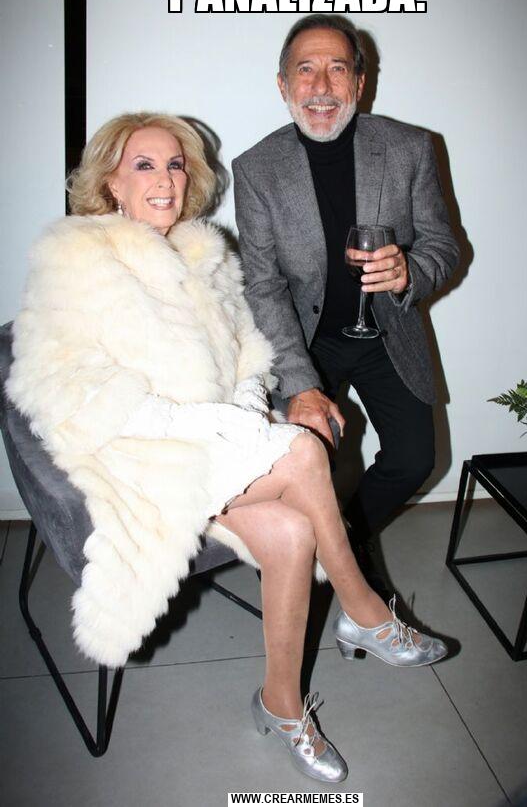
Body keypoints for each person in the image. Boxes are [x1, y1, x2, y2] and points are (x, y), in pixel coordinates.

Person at [7, 113, 447, 783]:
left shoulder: (202, 253)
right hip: (136, 454)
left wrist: (238, 410)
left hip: (214, 446)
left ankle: (281, 705)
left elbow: (247, 352)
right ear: (111, 183)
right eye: (144, 165)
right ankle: (363, 608)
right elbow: (62, 388)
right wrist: (209, 424)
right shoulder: (76, 260)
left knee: (293, 531)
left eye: (176, 164)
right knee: (302, 451)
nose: (166, 180)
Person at [233, 15, 460, 576]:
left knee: (415, 460)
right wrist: (300, 384)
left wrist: (409, 272)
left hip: (386, 331)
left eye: (337, 69)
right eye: (305, 70)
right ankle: (315, 563)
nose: (321, 87)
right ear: (283, 85)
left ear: (359, 83)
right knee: (302, 463)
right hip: (304, 341)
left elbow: (443, 246)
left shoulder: (409, 148)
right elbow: (263, 285)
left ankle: (340, 547)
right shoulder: (255, 169)